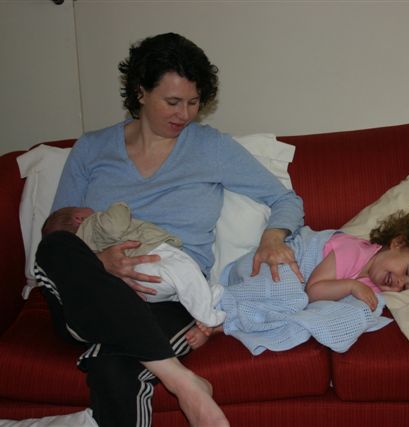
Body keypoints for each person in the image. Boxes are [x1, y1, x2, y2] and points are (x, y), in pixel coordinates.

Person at [34, 32, 304, 427]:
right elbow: (60, 230)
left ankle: (146, 357)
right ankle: (183, 382)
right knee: (55, 247)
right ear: (140, 92)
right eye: (173, 102)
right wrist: (99, 262)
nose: (185, 114)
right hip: (90, 291)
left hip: (168, 296)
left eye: (194, 103)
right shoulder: (92, 149)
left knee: (114, 369)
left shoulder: (211, 148)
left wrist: (273, 237)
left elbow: (285, 200)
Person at [187, 206, 409, 352]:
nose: (399, 283)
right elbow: (314, 291)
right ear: (397, 243)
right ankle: (217, 310)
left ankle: (225, 324)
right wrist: (351, 286)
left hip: (295, 291)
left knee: (338, 312)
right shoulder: (353, 249)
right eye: (407, 272)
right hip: (274, 266)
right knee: (291, 298)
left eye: (407, 286)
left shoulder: (374, 288)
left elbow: (333, 304)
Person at [42, 202, 226, 327]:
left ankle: (205, 297)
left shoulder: (82, 252)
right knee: (184, 270)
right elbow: (114, 227)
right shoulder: (93, 223)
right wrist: (119, 206)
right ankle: (207, 315)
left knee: (176, 285)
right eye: (81, 208)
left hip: (137, 285)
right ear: (78, 219)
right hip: (147, 256)